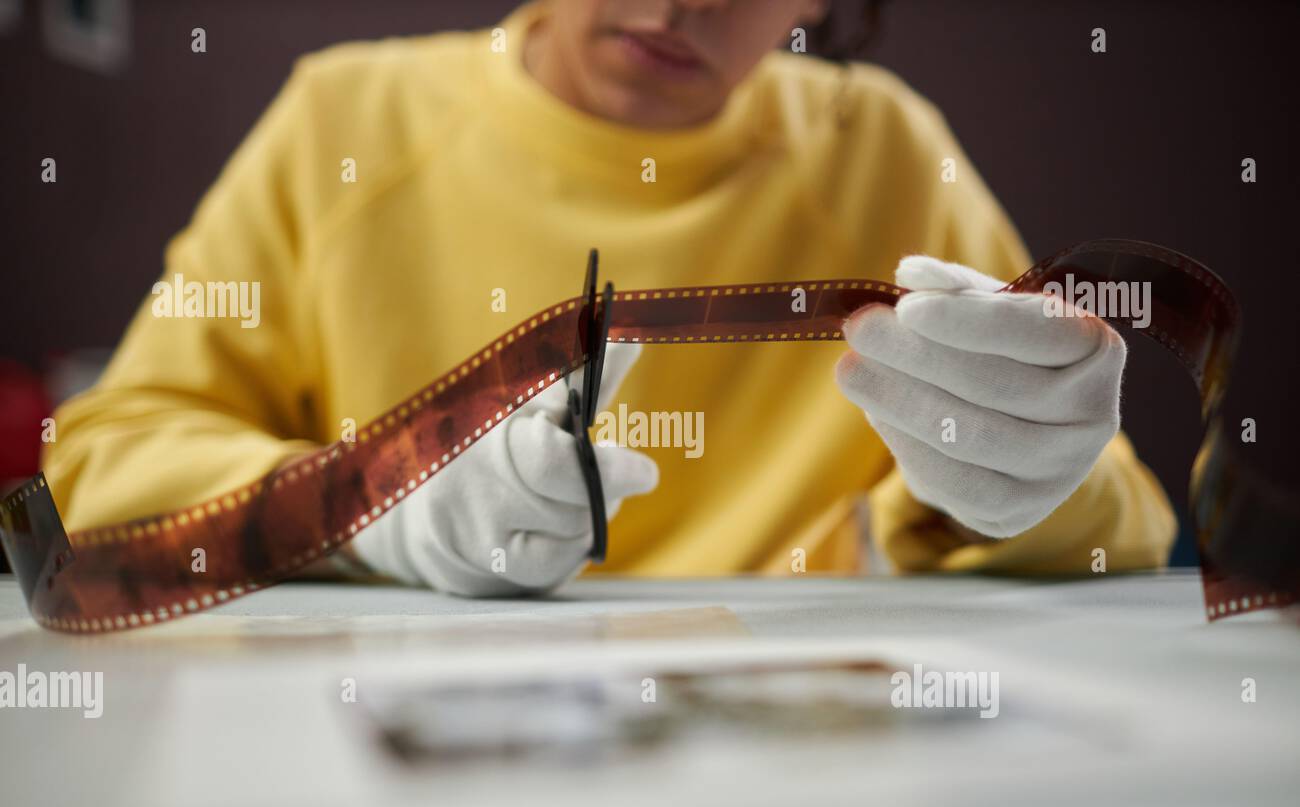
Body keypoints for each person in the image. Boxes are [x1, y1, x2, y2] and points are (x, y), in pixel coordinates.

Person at [42, 0, 1176, 597]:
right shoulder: (344, 121)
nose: (688, 0)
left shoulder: (881, 145)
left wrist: (1002, 488)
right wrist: (374, 507)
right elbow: (101, 469)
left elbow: (1122, 521)